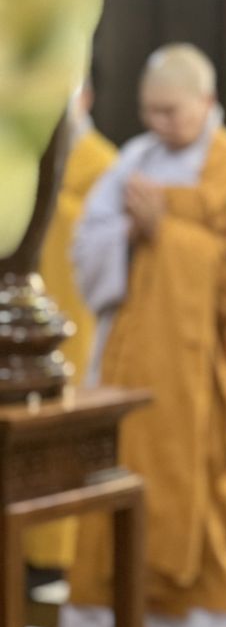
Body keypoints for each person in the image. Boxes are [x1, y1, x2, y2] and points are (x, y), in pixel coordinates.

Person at [55, 44, 226, 627]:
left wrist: (167, 233)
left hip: (208, 374)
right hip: (135, 362)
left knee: (204, 493)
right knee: (115, 483)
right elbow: (86, 249)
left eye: (171, 112)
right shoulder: (134, 161)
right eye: (149, 111)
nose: (158, 124)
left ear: (207, 103)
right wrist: (131, 232)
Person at [25, 80, 117, 573]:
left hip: (82, 321)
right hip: (30, 316)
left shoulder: (105, 163)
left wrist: (47, 203)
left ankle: (61, 558)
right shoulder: (25, 159)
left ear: (85, 99)